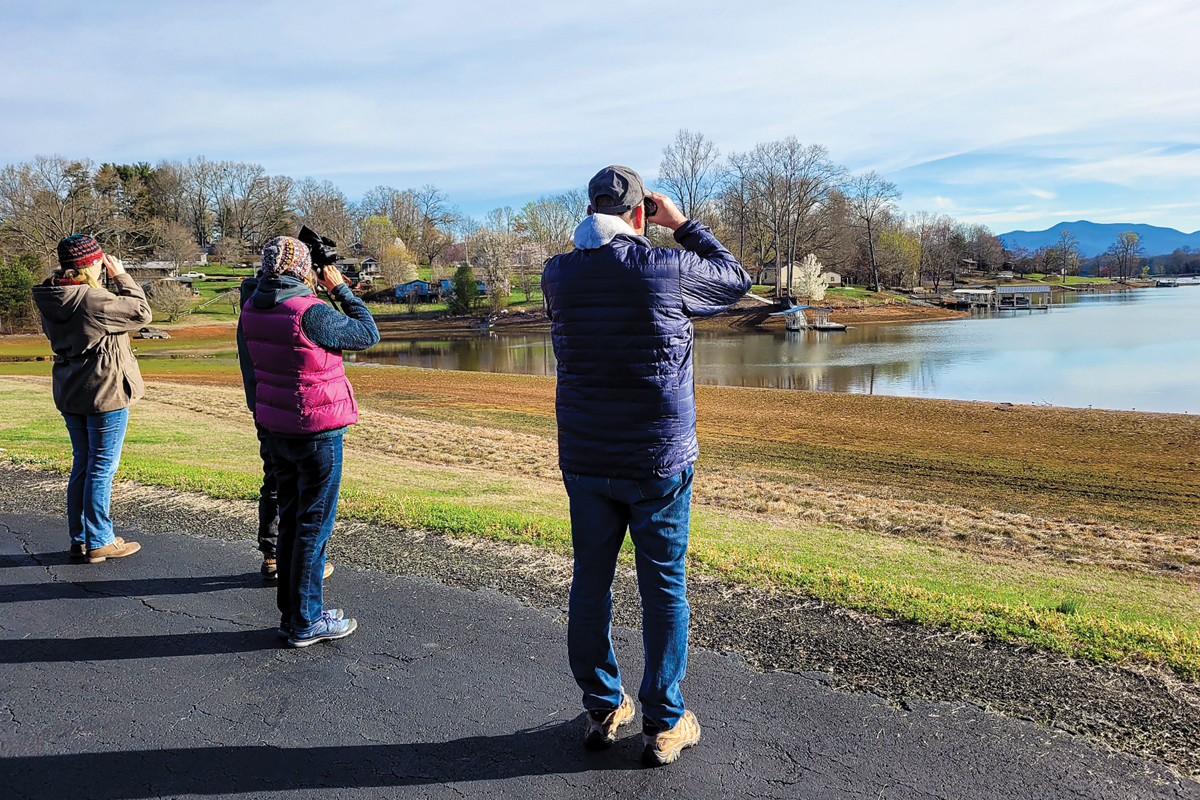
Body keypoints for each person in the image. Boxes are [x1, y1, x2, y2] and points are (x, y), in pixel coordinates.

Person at [542, 166, 750, 766]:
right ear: (640, 213)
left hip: (586, 456)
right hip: (657, 460)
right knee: (663, 586)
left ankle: (604, 705)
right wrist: (682, 224)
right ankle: (663, 722)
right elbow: (734, 281)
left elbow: (596, 263)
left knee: (591, 579)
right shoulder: (668, 269)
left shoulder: (558, 275)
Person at [240, 236, 378, 647]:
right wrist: (340, 289)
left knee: (292, 523)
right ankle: (306, 621)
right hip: (316, 430)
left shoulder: (253, 307)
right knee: (313, 527)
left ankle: (295, 615)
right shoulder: (310, 312)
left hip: (278, 426)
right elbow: (366, 333)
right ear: (303, 268)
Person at [31, 234, 153, 563]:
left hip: (72, 389)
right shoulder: (91, 300)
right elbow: (142, 313)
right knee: (102, 468)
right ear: (92, 263)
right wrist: (121, 276)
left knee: (83, 465)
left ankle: (81, 537)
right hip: (105, 392)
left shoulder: (53, 297)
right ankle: (99, 539)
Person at [236, 269, 334, 584]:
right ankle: (297, 565)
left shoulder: (252, 303)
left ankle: (272, 554)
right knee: (305, 488)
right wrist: (335, 289)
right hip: (294, 409)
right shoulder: (292, 306)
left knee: (275, 480)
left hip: (264, 403)